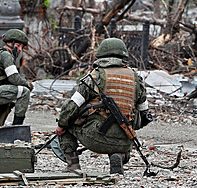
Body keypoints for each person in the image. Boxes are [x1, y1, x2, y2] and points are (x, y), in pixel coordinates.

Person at [55, 37, 151, 174]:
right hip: (125, 141)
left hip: (96, 139)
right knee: (124, 132)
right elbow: (144, 115)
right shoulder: (136, 78)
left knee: (66, 122)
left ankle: (73, 165)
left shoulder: (95, 76)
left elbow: (70, 107)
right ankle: (119, 156)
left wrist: (61, 125)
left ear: (100, 55)